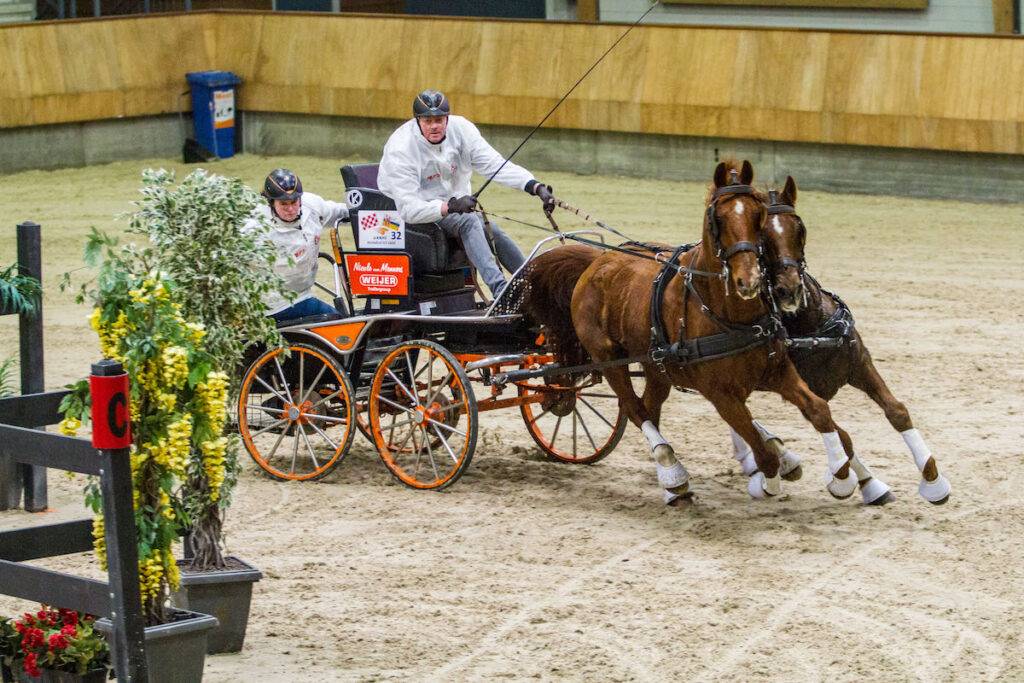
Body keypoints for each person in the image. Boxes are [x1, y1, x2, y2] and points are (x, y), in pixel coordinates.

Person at [377, 89, 556, 297]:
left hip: (453, 206)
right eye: (427, 121)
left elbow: (495, 165)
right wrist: (450, 206)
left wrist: (534, 186)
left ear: (447, 118)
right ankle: (501, 291)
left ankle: (534, 283)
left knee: (492, 230)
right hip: (416, 213)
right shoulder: (401, 148)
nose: (434, 126)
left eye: (439, 120)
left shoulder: (462, 130)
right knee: (469, 221)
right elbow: (409, 209)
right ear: (417, 120)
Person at [247, 168, 350, 322]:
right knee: (338, 323)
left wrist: (366, 210)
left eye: (294, 202)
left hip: (302, 293)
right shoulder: (255, 228)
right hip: (276, 303)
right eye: (283, 204)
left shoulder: (311, 205)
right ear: (271, 202)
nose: (290, 209)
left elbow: (340, 212)